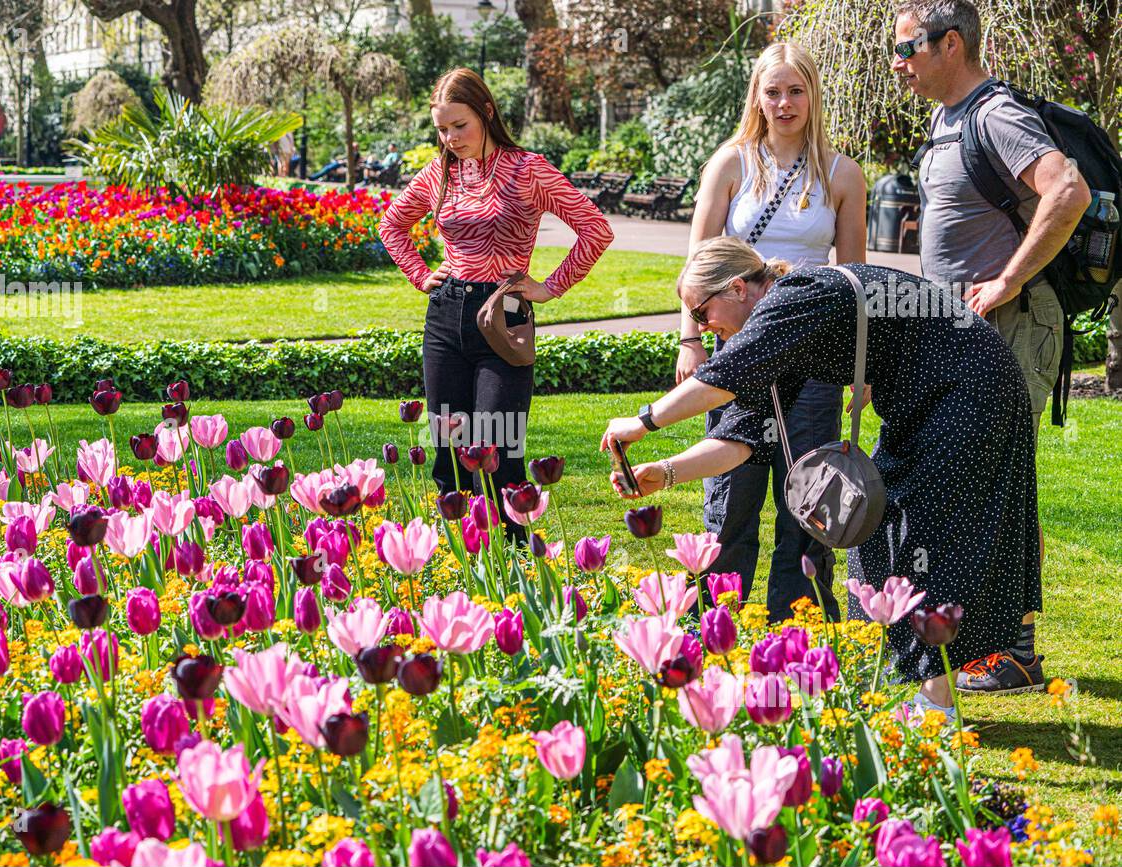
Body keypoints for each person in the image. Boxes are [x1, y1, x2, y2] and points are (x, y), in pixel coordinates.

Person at [602, 237, 1041, 719]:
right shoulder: (783, 331)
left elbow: (719, 379)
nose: (705, 331)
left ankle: (936, 701)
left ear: (736, 289)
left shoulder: (796, 296)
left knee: (925, 535)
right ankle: (915, 684)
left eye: (702, 314)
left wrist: (643, 422)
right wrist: (663, 474)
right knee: (880, 538)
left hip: (969, 387)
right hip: (937, 395)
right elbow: (744, 438)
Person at [893, 0, 1091, 692]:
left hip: (1012, 326)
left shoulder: (994, 114)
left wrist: (1008, 278)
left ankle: (1016, 650)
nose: (898, 62)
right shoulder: (947, 121)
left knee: (999, 481)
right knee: (981, 480)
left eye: (908, 47)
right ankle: (993, 641)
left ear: (951, 44)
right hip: (965, 334)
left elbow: (1068, 188)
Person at [380, 67, 614, 541]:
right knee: (448, 446)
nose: (450, 138)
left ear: (487, 112)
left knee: (497, 447)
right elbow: (391, 226)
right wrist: (423, 275)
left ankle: (512, 561)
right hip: (446, 316)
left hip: (503, 317)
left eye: (459, 126)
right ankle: (456, 559)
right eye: (442, 129)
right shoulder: (440, 172)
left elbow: (595, 229)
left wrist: (551, 286)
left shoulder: (529, 170)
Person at [678, 42, 867, 622]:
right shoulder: (731, 164)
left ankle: (798, 627)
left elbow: (854, 282)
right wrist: (690, 339)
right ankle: (717, 622)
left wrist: (860, 373)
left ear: (813, 95)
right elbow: (697, 264)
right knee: (731, 497)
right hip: (737, 350)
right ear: (756, 97)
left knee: (807, 500)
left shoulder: (842, 174)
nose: (784, 103)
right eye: (773, 91)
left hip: (813, 359)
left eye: (796, 90)